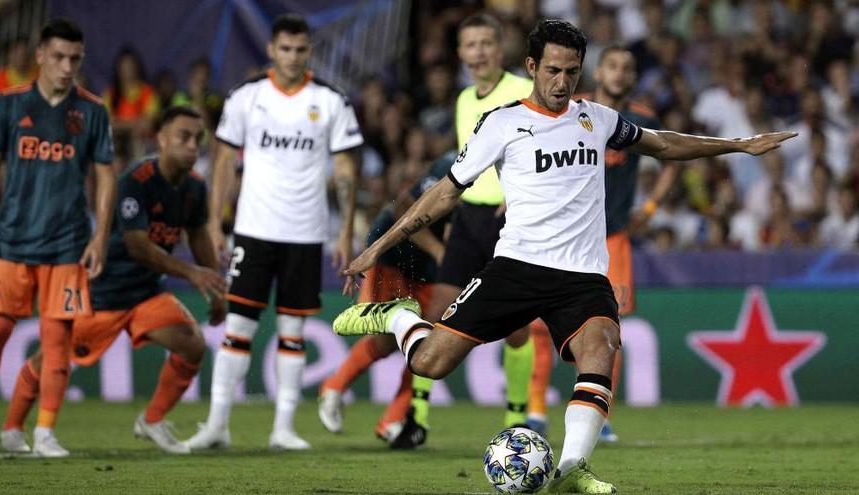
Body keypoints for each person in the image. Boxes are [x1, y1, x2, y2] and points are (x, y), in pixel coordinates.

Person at [333, 19, 794, 493]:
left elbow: (661, 143)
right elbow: (444, 194)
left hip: (581, 275)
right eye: (553, 70)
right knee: (430, 362)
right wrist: (378, 246)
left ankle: (572, 469)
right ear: (532, 66)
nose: (562, 82)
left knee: (602, 347)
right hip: (516, 266)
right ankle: (398, 317)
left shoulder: (597, 118)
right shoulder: (502, 123)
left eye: (572, 72)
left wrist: (737, 146)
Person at [0, 105, 226, 455]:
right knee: (52, 359)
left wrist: (215, 286)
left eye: (198, 139)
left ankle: (152, 420)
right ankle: (12, 427)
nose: (193, 145)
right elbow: (138, 247)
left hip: (146, 295)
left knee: (192, 343)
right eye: (184, 137)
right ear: (162, 140)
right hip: (103, 291)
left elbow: (197, 235)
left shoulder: (195, 187)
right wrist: (191, 272)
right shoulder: (136, 181)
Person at [187, 13, 362, 451]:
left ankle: (283, 428)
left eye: (300, 50)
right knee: (239, 327)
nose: (292, 57)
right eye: (284, 49)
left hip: (306, 232)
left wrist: (343, 231)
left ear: (310, 52)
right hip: (255, 230)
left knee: (293, 331)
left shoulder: (331, 101)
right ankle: (216, 425)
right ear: (271, 50)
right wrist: (213, 221)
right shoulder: (247, 98)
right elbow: (224, 161)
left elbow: (345, 169)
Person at [0, 18, 116, 458]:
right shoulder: (8, 104)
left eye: (74, 59)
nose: (66, 66)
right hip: (12, 240)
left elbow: (106, 176)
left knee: (57, 344)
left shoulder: (92, 111)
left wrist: (100, 237)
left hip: (66, 245)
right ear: (39, 56)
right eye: (58, 57)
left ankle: (43, 433)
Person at [526, 45, 678, 441]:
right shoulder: (575, 109)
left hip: (613, 239)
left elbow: (670, 160)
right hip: (567, 233)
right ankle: (536, 408)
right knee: (541, 323)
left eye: (627, 68)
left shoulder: (642, 118)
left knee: (610, 327)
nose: (620, 73)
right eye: (612, 65)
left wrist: (650, 205)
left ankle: (601, 416)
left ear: (632, 77)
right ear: (600, 71)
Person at [407, 12, 537, 442]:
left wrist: (517, 190)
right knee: (437, 312)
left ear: (500, 50)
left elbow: (547, 143)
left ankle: (516, 418)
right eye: (470, 45)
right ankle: (417, 417)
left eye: (486, 43)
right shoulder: (464, 99)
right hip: (468, 219)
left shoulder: (524, 91)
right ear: (461, 53)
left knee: (517, 330)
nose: (478, 52)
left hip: (511, 220)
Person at [317, 151, 452, 448]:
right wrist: (441, 251)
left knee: (429, 342)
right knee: (390, 338)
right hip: (396, 255)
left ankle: (394, 419)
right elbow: (404, 205)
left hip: (433, 269)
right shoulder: (454, 161)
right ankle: (334, 387)